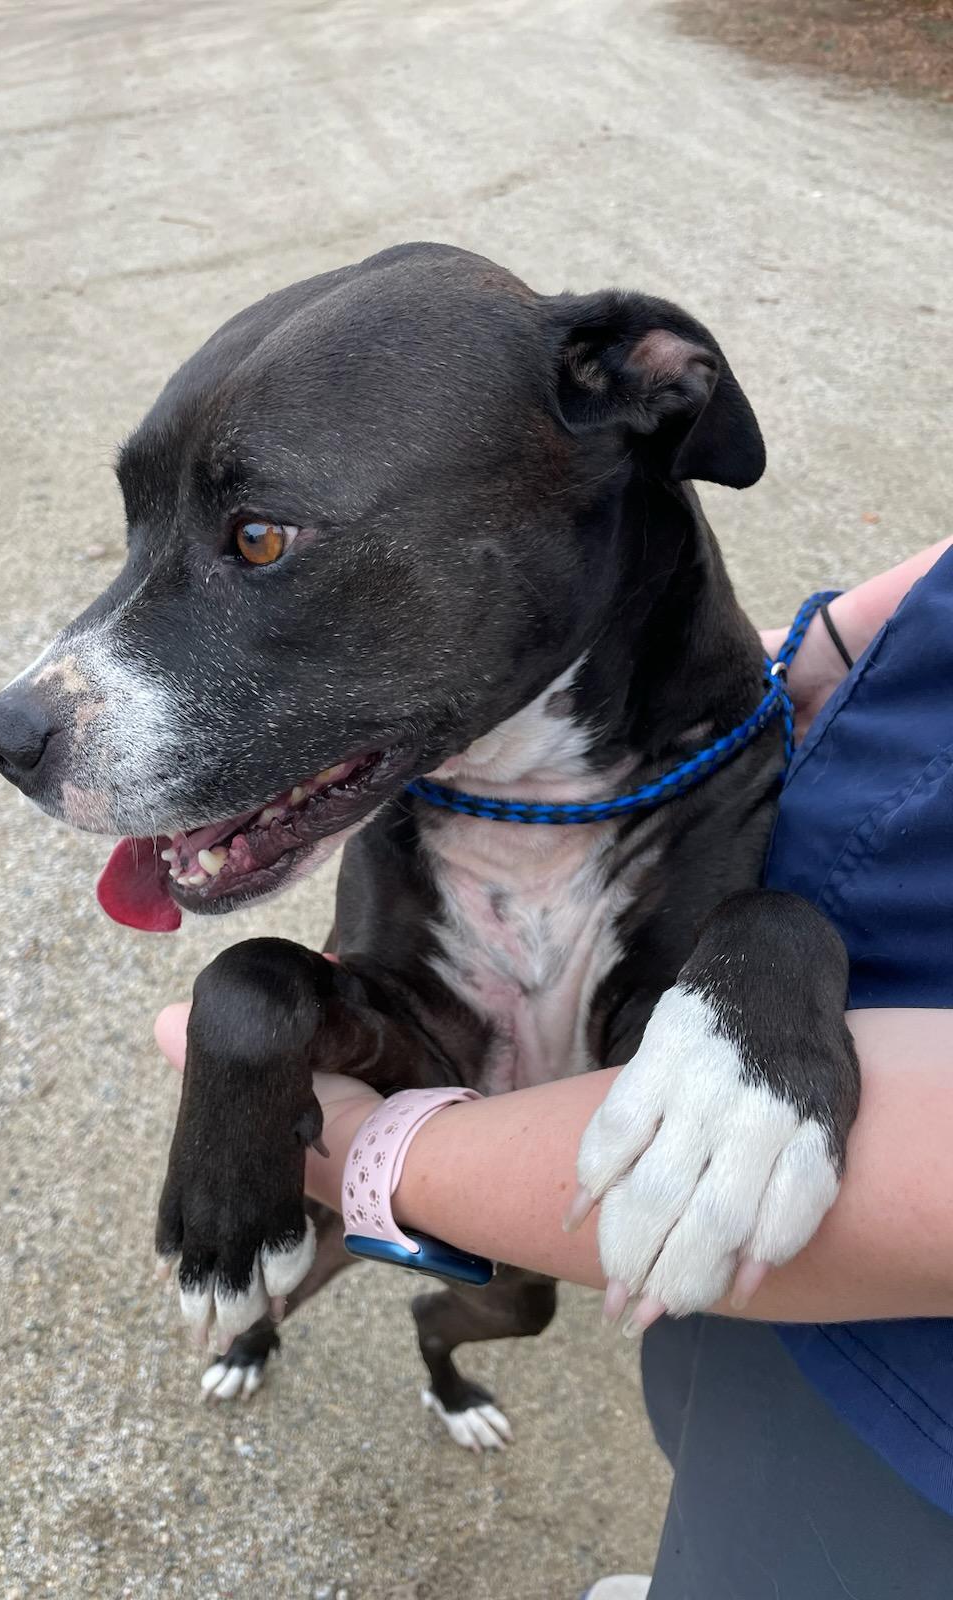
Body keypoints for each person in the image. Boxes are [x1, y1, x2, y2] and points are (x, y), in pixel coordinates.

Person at [157, 536, 953, 1600]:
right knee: (284, 1236)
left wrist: (374, 1152)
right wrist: (837, 640)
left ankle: (448, 1369)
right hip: (762, 1309)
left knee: (521, 1311)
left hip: (897, 1396)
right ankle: (254, 1329)